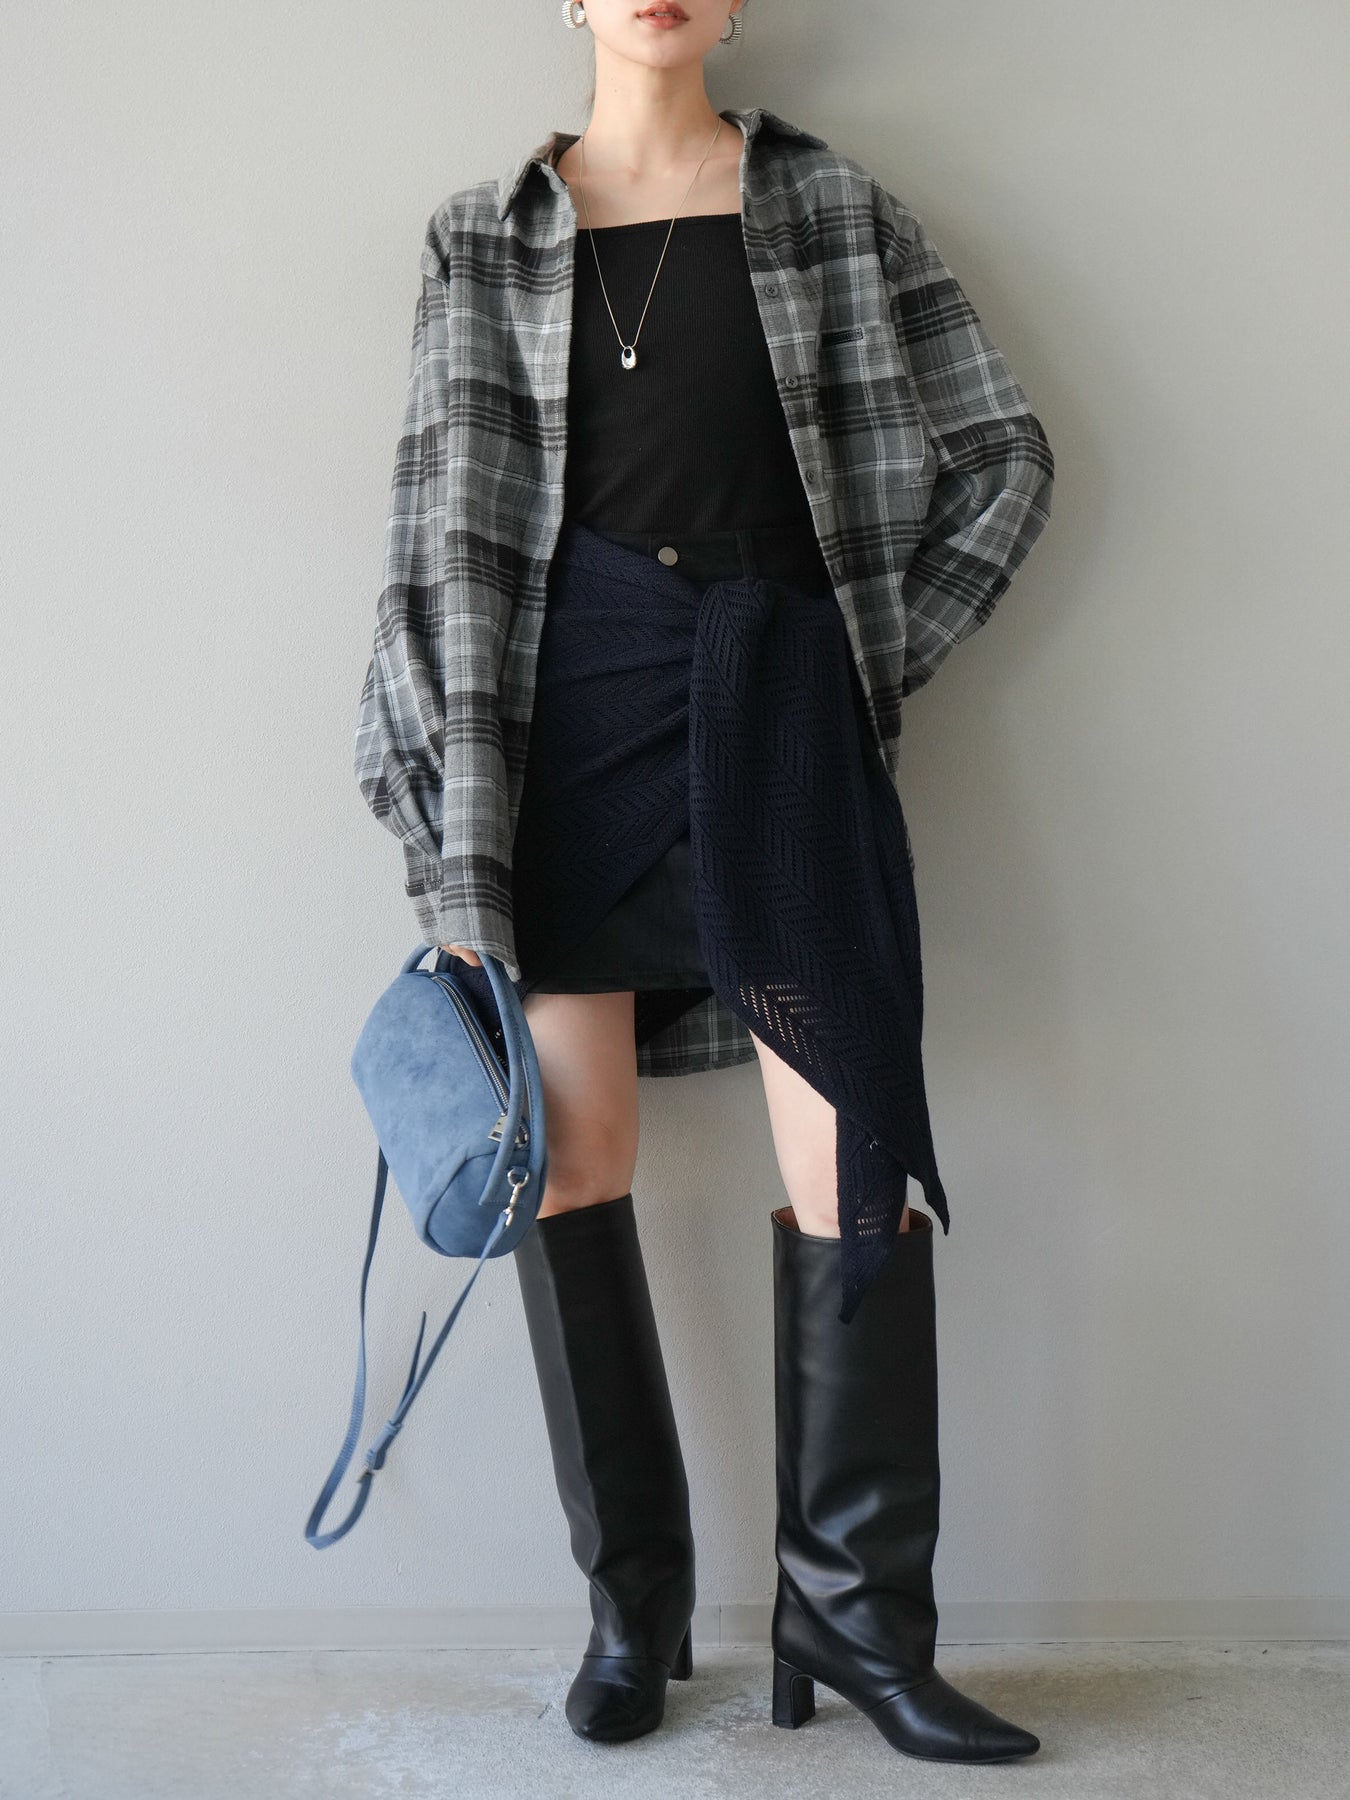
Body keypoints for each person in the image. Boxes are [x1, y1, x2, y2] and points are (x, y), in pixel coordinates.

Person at [354, 0, 1054, 1766]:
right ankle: (633, 1613)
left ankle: (858, 1625)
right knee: (573, 1165)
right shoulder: (479, 235)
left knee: (853, 1163)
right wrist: (438, 822)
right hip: (566, 714)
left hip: (773, 694)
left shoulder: (833, 208)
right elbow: (430, 543)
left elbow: (1002, 459)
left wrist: (857, 663)